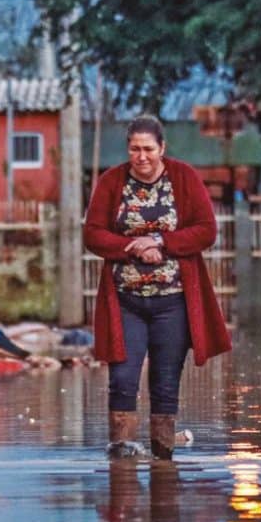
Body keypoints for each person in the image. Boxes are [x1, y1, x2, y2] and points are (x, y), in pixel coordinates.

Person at [84, 114, 232, 459]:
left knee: (165, 384)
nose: (142, 156)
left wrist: (160, 242)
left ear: (162, 148)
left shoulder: (184, 178)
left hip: (173, 301)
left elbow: (206, 230)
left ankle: (163, 460)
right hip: (125, 300)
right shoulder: (111, 182)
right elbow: (93, 233)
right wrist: (131, 246)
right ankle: (121, 456)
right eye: (135, 149)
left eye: (148, 148)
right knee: (123, 378)